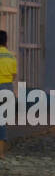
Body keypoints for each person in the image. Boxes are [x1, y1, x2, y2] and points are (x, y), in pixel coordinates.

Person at [0, 30, 16, 159]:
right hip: (7, 88)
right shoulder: (11, 56)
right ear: (6, 41)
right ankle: (1, 152)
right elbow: (14, 76)